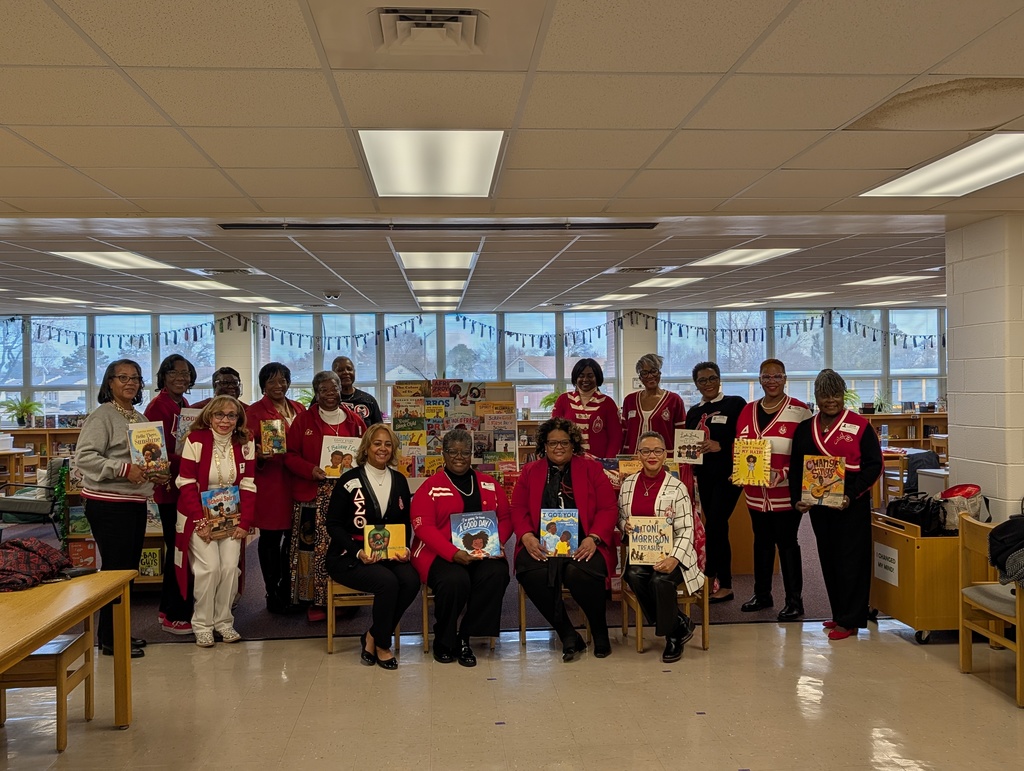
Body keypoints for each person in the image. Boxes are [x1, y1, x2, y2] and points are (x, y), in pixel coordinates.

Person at [76, 359, 164, 658]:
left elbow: (147, 462)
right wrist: (125, 469)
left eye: (135, 378)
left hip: (134, 502)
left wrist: (157, 472)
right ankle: (112, 640)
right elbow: (85, 458)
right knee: (115, 572)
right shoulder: (102, 416)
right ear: (109, 382)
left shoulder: (139, 419)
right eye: (122, 377)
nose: (130, 382)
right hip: (108, 504)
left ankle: (118, 632)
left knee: (127, 572)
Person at [512, 418, 617, 661]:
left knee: (579, 573)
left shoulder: (591, 469)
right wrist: (526, 536)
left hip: (584, 541)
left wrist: (594, 537)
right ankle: (568, 634)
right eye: (552, 443)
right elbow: (517, 508)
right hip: (542, 542)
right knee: (531, 571)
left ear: (573, 444)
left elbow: (608, 508)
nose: (558, 447)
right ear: (544, 446)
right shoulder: (530, 471)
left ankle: (600, 631)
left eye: (564, 442)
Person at [791, 369, 883, 641]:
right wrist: (800, 498)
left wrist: (850, 495)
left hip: (850, 505)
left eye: (835, 394)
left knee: (851, 561)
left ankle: (852, 619)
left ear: (843, 395)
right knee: (828, 558)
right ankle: (840, 612)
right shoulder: (806, 428)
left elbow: (874, 466)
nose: (830, 400)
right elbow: (797, 466)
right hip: (819, 505)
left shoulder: (859, 425)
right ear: (816, 397)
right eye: (824, 395)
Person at [411, 429, 512, 667]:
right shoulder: (431, 487)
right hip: (440, 553)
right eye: (453, 452)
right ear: (443, 454)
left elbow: (506, 518)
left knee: (496, 574)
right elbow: (422, 527)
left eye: (465, 452)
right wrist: (452, 553)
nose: (459, 457)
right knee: (455, 581)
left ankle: (465, 636)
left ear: (472, 454)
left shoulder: (489, 484)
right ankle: (444, 640)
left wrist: (496, 543)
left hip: (481, 552)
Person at [325, 424, 419, 669]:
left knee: (410, 580)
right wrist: (358, 552)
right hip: (350, 555)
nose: (382, 449)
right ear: (366, 447)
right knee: (386, 582)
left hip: (387, 554)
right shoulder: (349, 480)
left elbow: (403, 521)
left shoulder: (399, 480)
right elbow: (333, 524)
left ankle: (372, 635)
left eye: (388, 444)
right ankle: (382, 644)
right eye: (377, 443)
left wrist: (405, 549)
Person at [173, 396, 256, 647]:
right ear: (209, 416)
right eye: (219, 414)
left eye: (231, 415)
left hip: (231, 516)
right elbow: (185, 482)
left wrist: (245, 523)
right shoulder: (195, 440)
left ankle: (224, 622)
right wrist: (200, 521)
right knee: (209, 568)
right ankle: (202, 624)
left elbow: (248, 484)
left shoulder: (246, 441)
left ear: (238, 419)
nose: (225, 420)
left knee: (230, 567)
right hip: (197, 514)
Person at [734, 359, 811, 622]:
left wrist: (786, 474)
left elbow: (808, 455)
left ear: (785, 378)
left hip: (786, 494)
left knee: (787, 543)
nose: (772, 381)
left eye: (777, 376)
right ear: (759, 379)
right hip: (755, 494)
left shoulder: (800, 412)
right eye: (766, 377)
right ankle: (762, 595)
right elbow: (739, 447)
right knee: (762, 543)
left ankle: (794, 601)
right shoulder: (747, 411)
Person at [285, 370, 366, 621]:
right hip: (312, 493)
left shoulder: (355, 421)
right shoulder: (302, 421)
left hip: (347, 495)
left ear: (341, 389)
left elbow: (365, 453)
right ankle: (314, 602)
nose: (330, 394)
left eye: (334, 388)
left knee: (344, 544)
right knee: (311, 548)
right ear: (316, 393)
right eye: (324, 390)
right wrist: (310, 470)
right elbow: (289, 455)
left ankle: (348, 597)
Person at [618, 432, 703, 663]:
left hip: (675, 555)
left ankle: (672, 637)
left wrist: (674, 559)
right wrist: (625, 525)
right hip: (642, 554)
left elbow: (687, 529)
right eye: (646, 451)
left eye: (657, 451)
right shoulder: (628, 485)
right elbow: (620, 517)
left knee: (659, 580)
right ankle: (677, 625)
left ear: (665, 455)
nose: (652, 455)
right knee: (633, 574)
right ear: (639, 455)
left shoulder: (677, 488)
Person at [246, 362, 306, 614]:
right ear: (263, 385)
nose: (278, 385)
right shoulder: (254, 412)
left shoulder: (300, 409)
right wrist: (258, 456)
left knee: (294, 539)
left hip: (298, 482)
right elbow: (245, 450)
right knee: (270, 538)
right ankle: (272, 591)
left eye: (283, 380)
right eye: (271, 381)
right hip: (271, 483)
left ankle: (290, 589)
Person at [684, 361, 746, 604]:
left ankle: (716, 580)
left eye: (712, 378)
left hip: (728, 475)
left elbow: (746, 436)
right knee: (716, 527)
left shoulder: (735, 404)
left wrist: (722, 446)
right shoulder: (693, 411)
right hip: (704, 477)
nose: (707, 383)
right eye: (702, 380)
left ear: (719, 379)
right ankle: (720, 581)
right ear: (696, 384)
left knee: (716, 525)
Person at [144, 353, 197, 636]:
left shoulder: (183, 404)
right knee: (179, 551)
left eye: (186, 373)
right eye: (175, 373)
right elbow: (156, 456)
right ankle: (176, 615)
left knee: (179, 551)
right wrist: (194, 458)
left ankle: (167, 608)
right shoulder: (158, 407)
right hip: (168, 491)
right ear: (163, 376)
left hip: (183, 488)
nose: (181, 378)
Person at [551, 358, 622, 458]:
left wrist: (608, 462)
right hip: (569, 461)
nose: (585, 380)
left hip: (599, 462)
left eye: (590, 376)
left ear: (597, 377)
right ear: (575, 378)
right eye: (581, 376)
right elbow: (554, 432)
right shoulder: (563, 400)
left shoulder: (607, 403)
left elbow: (615, 437)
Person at [621, 353, 687, 456]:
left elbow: (682, 434)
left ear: (659, 373)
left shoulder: (674, 400)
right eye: (644, 373)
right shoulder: (630, 400)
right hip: (633, 459)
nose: (650, 376)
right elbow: (624, 433)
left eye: (653, 371)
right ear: (640, 377)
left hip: (664, 460)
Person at [332, 355, 383, 427]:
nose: (346, 372)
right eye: (340, 370)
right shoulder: (326, 399)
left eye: (349, 369)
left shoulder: (369, 400)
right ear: (333, 374)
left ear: (354, 371)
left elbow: (378, 430)